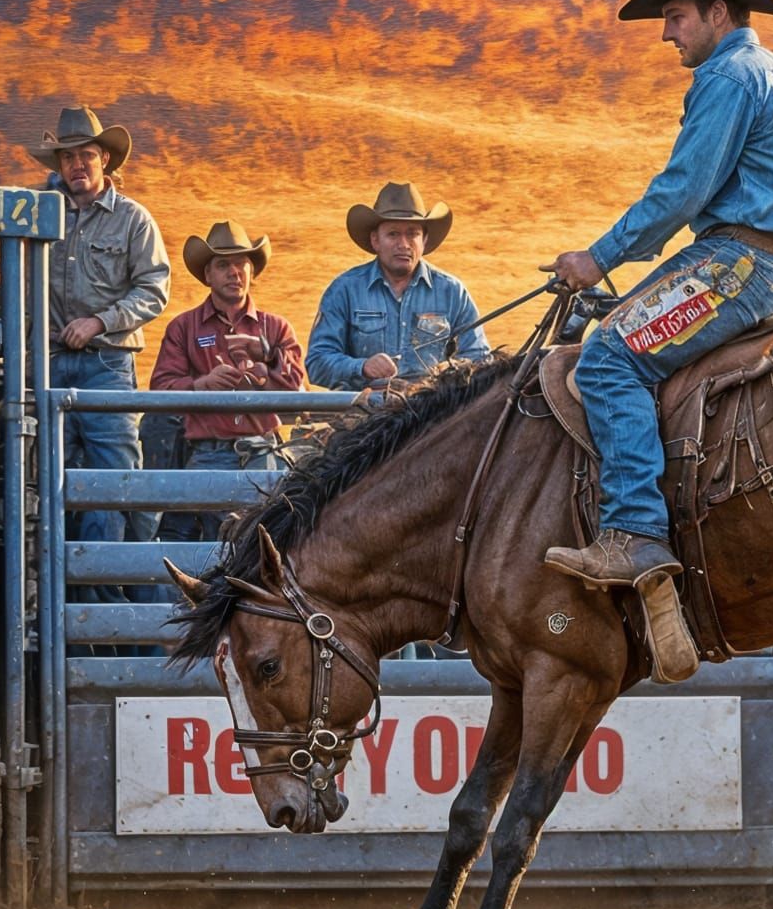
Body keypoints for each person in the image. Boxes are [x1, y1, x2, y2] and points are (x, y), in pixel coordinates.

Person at [545, 0, 773, 588]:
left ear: (719, 12)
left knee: (610, 355)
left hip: (738, 262)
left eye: (676, 17)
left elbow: (682, 191)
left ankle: (636, 531)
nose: (666, 34)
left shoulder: (726, 78)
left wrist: (598, 257)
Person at [31, 105, 170, 578]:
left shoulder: (133, 220)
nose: (77, 166)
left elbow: (155, 288)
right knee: (47, 477)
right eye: (67, 158)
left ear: (105, 159)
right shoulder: (36, 216)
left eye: (86, 155)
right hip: (45, 364)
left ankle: (110, 592)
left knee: (113, 480)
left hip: (106, 363)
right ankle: (63, 592)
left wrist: (100, 321)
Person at [149, 220, 305, 541]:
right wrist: (202, 386)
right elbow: (161, 389)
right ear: (208, 275)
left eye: (242, 264)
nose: (235, 272)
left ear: (252, 271)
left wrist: (267, 359)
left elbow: (297, 393)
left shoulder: (276, 329)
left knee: (265, 543)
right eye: (223, 265)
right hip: (207, 450)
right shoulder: (183, 328)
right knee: (206, 548)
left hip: (263, 450)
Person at [306, 183, 488, 392]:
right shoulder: (345, 290)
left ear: (424, 240)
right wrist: (362, 367)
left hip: (432, 415)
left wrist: (447, 375)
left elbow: (480, 359)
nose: (403, 244)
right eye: (393, 234)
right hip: (364, 414)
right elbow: (317, 363)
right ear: (376, 240)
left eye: (412, 234)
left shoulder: (453, 293)